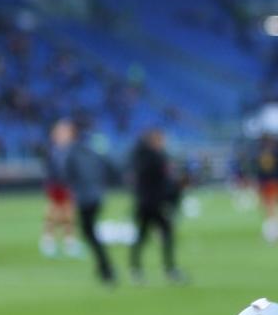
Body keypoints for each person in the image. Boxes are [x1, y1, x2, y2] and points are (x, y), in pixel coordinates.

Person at [129, 128, 184, 283]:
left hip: (145, 203)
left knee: (142, 236)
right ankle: (169, 269)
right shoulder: (156, 158)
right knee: (164, 235)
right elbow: (162, 183)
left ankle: (136, 269)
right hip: (154, 204)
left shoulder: (142, 157)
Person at [65, 123, 117, 285]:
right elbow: (108, 169)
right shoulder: (93, 152)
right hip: (97, 197)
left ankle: (106, 268)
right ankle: (103, 266)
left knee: (89, 233)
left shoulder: (72, 153)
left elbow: (68, 175)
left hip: (85, 198)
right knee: (91, 232)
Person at [41, 118, 81, 259]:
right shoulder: (53, 149)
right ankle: (48, 240)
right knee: (54, 212)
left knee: (69, 213)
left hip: (69, 185)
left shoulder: (72, 149)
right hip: (56, 185)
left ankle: (69, 241)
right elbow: (50, 169)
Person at [255, 136, 278, 244]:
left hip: (270, 183)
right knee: (270, 207)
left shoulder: (262, 154)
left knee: (271, 207)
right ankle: (276, 229)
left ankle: (275, 230)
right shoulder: (276, 153)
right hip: (271, 183)